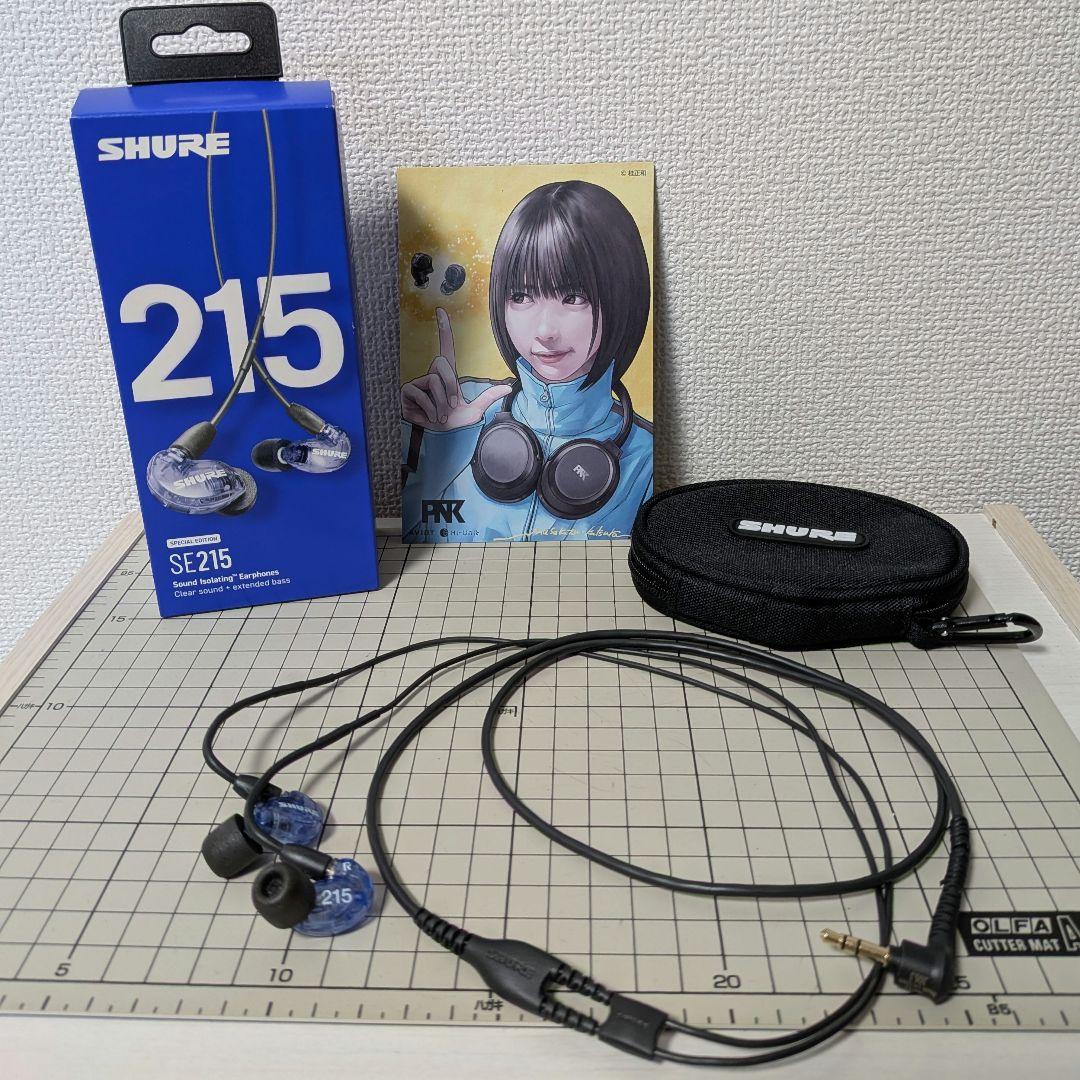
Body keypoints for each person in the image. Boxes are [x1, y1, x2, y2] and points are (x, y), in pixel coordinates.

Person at [401, 180, 653, 542]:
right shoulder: (455, 406)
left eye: (573, 297)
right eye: (521, 296)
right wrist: (441, 446)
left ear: (621, 297)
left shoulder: (644, 458)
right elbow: (412, 550)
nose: (545, 330)